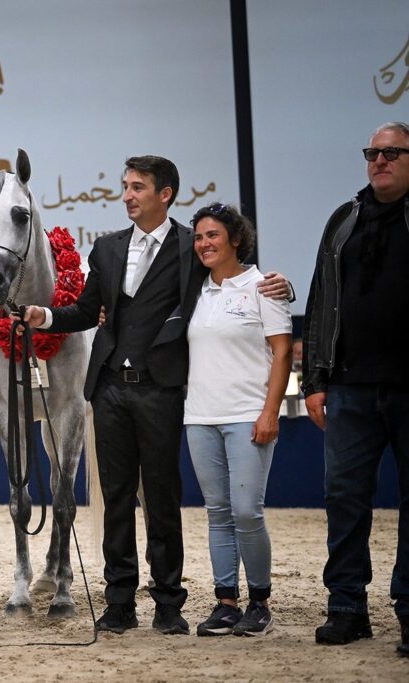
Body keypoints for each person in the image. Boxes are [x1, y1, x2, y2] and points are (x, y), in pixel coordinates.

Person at [19, 156, 290, 635]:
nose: (127, 195)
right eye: (125, 186)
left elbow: (233, 277)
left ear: (165, 194)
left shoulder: (194, 247)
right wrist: (46, 316)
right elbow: (86, 310)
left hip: (163, 391)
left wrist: (278, 283)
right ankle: (119, 603)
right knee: (116, 498)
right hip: (108, 391)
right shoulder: (104, 248)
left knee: (163, 498)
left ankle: (169, 602)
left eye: (137, 187)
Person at [303, 121, 409, 656]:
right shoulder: (343, 220)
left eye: (392, 152)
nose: (380, 160)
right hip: (347, 388)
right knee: (344, 498)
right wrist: (314, 380)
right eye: (373, 152)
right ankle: (347, 608)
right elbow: (322, 300)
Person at [183, 204, 292, 637]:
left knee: (247, 511)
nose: (204, 244)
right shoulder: (195, 291)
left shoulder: (264, 287)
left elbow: (283, 353)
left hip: (249, 416)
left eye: (213, 236)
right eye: (198, 237)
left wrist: (271, 411)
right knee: (218, 512)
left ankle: (259, 601)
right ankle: (226, 602)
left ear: (235, 240)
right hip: (200, 417)